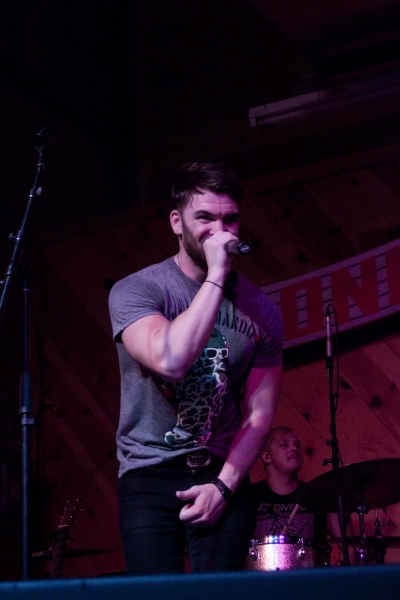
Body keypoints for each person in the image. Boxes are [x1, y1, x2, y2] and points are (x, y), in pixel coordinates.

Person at [108, 161, 284, 574]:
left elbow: (259, 413)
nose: (219, 231)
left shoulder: (261, 310)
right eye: (204, 218)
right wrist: (217, 275)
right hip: (149, 474)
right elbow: (170, 361)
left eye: (230, 219)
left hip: (222, 474)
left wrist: (224, 487)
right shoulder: (139, 289)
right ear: (177, 222)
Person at [248, 426, 329, 568]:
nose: (294, 448)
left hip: (310, 577)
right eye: (284, 445)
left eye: (297, 445)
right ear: (266, 457)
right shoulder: (249, 497)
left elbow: (346, 543)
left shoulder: (318, 494)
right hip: (260, 579)